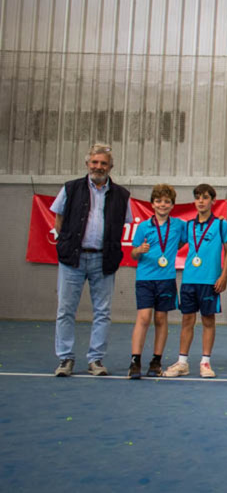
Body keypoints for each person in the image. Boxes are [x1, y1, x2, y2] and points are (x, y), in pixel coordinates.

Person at [50, 142, 132, 377]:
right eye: (95, 162)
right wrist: (67, 244)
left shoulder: (122, 195)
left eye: (103, 163)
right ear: (87, 164)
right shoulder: (70, 189)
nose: (99, 167)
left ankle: (96, 359)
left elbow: (123, 225)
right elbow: (59, 221)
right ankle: (65, 358)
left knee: (103, 312)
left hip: (103, 261)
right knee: (65, 310)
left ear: (111, 167)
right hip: (72, 260)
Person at [163, 184, 227, 378]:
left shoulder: (220, 224)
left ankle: (205, 363)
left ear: (213, 201)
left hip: (210, 281)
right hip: (189, 280)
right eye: (197, 198)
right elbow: (175, 245)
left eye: (205, 197)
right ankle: (183, 362)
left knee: (208, 321)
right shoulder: (189, 226)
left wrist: (224, 275)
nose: (201, 201)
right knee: (187, 320)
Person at [128, 184, 187, 378]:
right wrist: (139, 250)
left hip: (166, 279)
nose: (163, 205)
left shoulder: (178, 225)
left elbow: (185, 240)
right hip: (145, 279)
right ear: (152, 204)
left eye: (167, 202)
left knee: (161, 319)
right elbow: (133, 253)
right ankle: (135, 360)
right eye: (159, 201)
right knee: (143, 318)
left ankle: (156, 360)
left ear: (172, 205)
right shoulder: (143, 227)